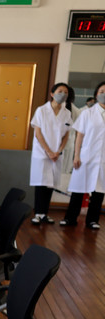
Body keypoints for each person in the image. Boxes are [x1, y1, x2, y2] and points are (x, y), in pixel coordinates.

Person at [60, 81, 105, 230]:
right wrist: (76, 156)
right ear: (96, 94)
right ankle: (70, 218)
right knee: (78, 189)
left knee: (98, 192)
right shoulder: (87, 113)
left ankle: (92, 220)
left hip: (103, 159)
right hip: (86, 157)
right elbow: (79, 136)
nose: (104, 94)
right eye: (101, 91)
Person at [28, 83, 73, 225]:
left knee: (50, 184)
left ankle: (44, 214)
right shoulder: (41, 111)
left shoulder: (67, 113)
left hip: (56, 155)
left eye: (65, 92)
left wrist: (58, 151)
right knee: (41, 184)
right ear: (52, 94)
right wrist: (49, 151)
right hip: (42, 153)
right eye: (60, 91)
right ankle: (37, 214)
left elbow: (66, 135)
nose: (63, 94)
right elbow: (38, 133)